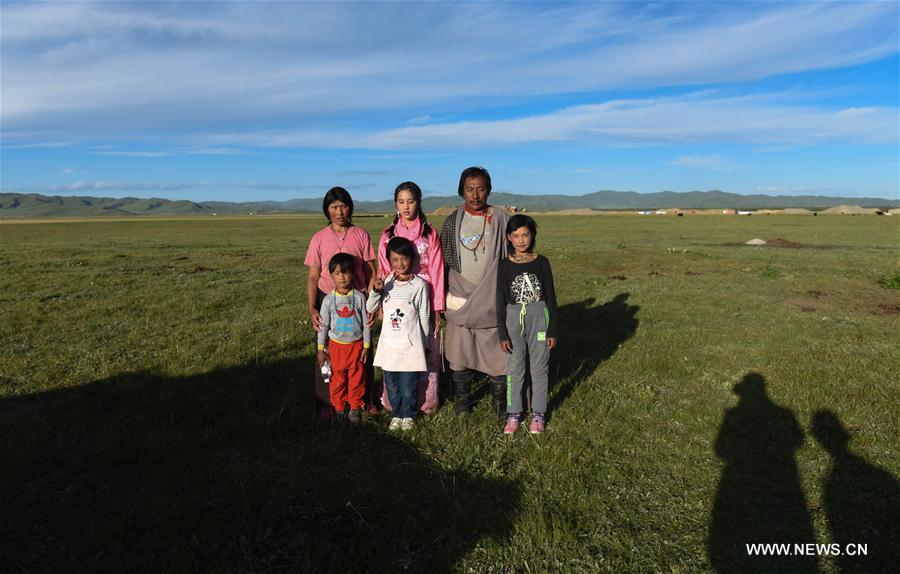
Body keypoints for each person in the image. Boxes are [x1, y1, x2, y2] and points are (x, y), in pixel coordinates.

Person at [440, 166, 510, 416]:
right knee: (460, 354)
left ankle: (501, 407)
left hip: (493, 298)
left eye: (481, 189)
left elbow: (514, 256)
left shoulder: (502, 219)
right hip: (461, 296)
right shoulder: (452, 221)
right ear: (462, 191)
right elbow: (444, 261)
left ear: (489, 190)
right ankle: (463, 407)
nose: (475, 195)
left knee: (499, 355)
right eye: (470, 189)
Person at [304, 187, 376, 418]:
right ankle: (327, 402)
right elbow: (314, 276)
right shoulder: (319, 238)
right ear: (327, 209)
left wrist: (373, 303)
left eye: (343, 206)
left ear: (350, 207)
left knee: (363, 352)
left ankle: (364, 399)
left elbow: (370, 270)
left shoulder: (361, 234)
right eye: (333, 207)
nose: (339, 211)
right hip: (328, 298)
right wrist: (312, 307)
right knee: (325, 351)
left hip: (359, 299)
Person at [376, 181, 444, 414]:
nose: (406, 207)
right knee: (396, 349)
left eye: (411, 201)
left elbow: (436, 269)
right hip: (395, 298)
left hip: (424, 297)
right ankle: (392, 400)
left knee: (426, 349)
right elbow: (383, 271)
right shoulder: (388, 234)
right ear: (396, 204)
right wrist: (382, 306)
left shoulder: (429, 233)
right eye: (401, 202)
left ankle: (425, 402)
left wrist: (437, 308)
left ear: (418, 203)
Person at [496, 215, 557, 434]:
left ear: (532, 235)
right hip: (513, 319)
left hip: (539, 317)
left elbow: (550, 297)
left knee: (540, 367)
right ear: (508, 238)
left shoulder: (542, 262)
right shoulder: (504, 265)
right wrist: (502, 334)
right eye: (516, 236)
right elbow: (500, 300)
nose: (521, 240)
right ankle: (514, 413)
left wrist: (552, 329)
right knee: (515, 367)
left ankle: (538, 413)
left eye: (525, 235)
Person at [368, 237, 430, 431]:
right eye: (395, 260)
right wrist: (376, 291)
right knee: (392, 385)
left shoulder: (419, 285)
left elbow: (424, 316)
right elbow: (370, 307)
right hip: (390, 347)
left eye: (404, 258)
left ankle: (409, 415)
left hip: (410, 347)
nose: (400, 264)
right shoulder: (386, 283)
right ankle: (396, 414)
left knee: (409, 385)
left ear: (411, 259)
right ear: (389, 261)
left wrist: (425, 344)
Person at [317, 253, 371, 425]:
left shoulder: (360, 297)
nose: (341, 277)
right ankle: (338, 408)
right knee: (337, 379)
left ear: (353, 273)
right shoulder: (327, 301)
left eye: (345, 272)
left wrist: (367, 347)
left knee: (357, 378)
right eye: (337, 273)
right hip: (336, 348)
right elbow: (323, 327)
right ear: (331, 275)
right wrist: (320, 349)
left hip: (356, 346)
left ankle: (355, 407)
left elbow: (367, 324)